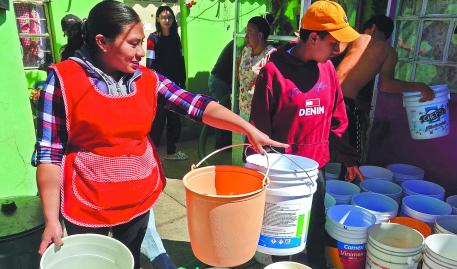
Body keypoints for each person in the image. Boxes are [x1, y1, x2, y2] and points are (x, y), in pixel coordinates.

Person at [32, 2, 287, 269]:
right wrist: (51, 219)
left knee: (129, 260)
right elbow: (49, 154)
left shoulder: (147, 79)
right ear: (102, 42)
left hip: (137, 197)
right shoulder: (63, 80)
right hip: (87, 202)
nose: (141, 52)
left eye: (142, 42)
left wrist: (247, 128)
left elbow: (194, 104)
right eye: (133, 43)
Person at [249, 1, 362, 268]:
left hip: (315, 170)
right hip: (282, 175)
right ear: (313, 38)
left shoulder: (328, 70)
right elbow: (258, 129)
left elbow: (338, 120)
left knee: (315, 227)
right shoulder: (273, 73)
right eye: (334, 43)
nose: (338, 51)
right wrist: (254, 172)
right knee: (283, 235)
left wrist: (350, 159)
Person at [335, 15, 434, 158]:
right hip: (344, 104)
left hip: (322, 97)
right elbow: (386, 86)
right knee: (352, 154)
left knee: (318, 147)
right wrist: (420, 86)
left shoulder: (351, 38)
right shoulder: (388, 51)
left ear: (373, 27)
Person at [147, 6, 188, 160]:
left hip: (175, 87)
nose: (167, 20)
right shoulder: (153, 38)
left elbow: (181, 61)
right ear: (158, 19)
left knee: (174, 121)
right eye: (163, 17)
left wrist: (182, 83)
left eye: (169, 17)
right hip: (159, 86)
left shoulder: (176, 38)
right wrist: (152, 84)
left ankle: (171, 151)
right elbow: (149, 63)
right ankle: (151, 155)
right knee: (157, 122)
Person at [238, 16, 276, 121]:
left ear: (260, 35)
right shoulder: (246, 51)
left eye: (249, 32)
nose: (245, 37)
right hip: (243, 109)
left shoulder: (271, 55)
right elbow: (240, 73)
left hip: (259, 113)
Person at [209, 40, 234, 149]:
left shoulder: (237, 43)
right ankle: (221, 145)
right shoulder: (238, 44)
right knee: (221, 114)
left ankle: (224, 144)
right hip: (219, 82)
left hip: (220, 81)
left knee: (224, 112)